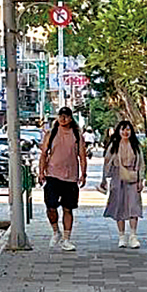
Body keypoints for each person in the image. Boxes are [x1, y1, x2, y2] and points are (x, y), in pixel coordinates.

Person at [38, 106, 86, 250]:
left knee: (68, 208)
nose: (63, 119)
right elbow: (43, 154)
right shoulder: (51, 134)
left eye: (66, 116)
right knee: (50, 206)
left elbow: (82, 156)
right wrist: (41, 172)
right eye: (61, 116)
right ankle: (55, 231)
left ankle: (66, 238)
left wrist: (83, 173)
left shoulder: (77, 135)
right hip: (52, 175)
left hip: (71, 177)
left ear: (71, 118)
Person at [100, 121, 144, 249]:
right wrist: (104, 179)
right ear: (118, 131)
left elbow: (141, 163)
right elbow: (106, 162)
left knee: (134, 206)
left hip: (132, 178)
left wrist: (141, 180)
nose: (125, 132)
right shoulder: (114, 145)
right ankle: (121, 236)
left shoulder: (136, 146)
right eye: (123, 130)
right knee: (119, 206)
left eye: (128, 130)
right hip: (117, 178)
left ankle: (133, 236)